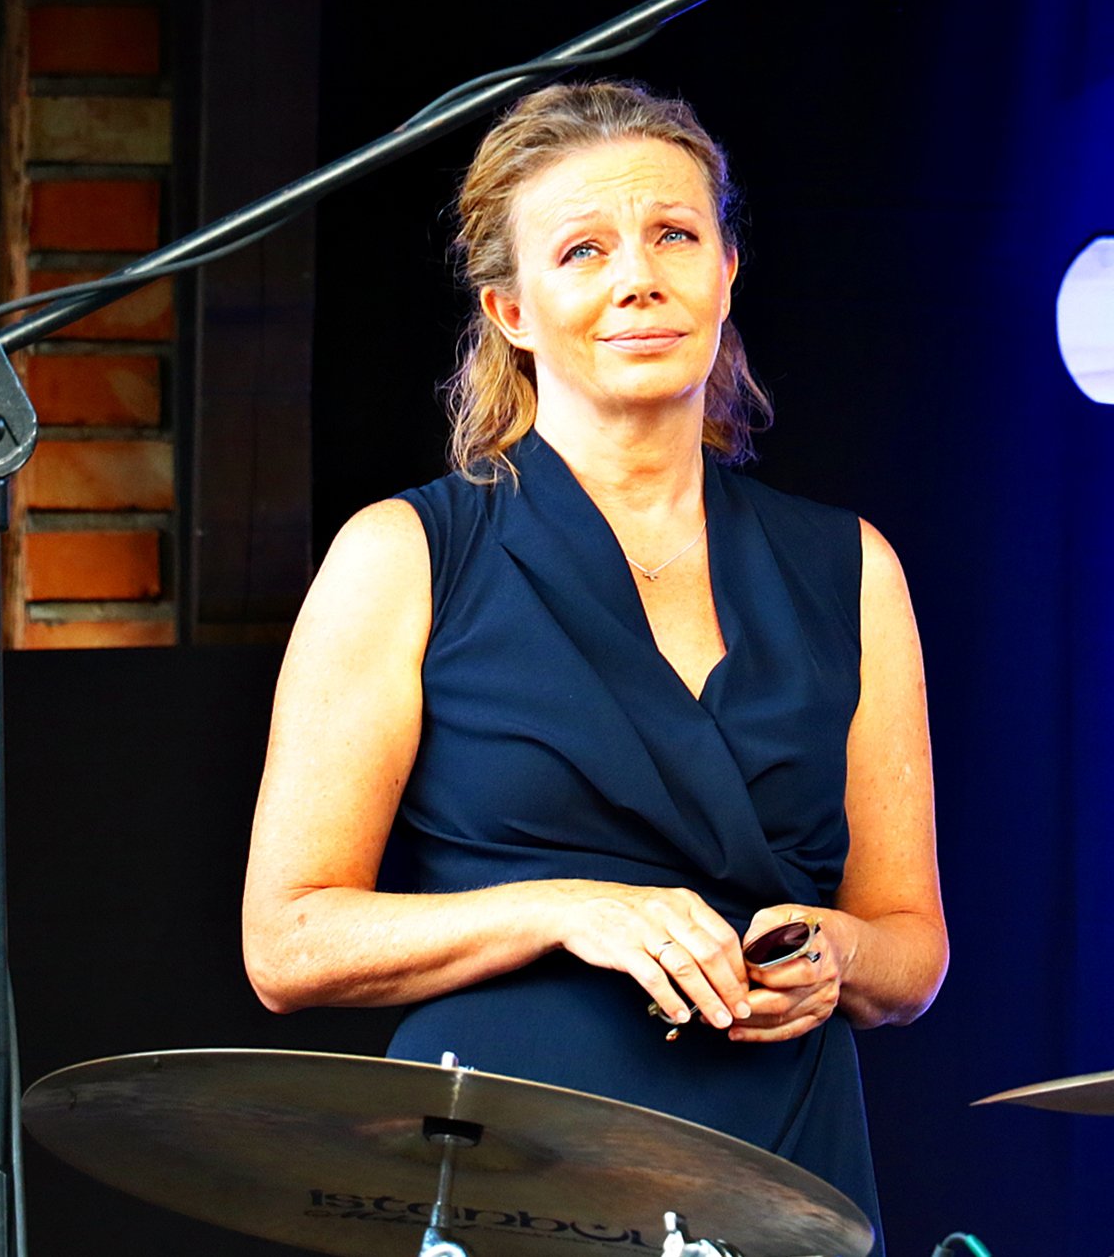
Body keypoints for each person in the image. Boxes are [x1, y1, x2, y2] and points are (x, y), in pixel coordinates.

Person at [242, 80, 947, 1251]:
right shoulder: (405, 554)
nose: (638, 279)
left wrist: (838, 956)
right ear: (510, 309)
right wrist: (568, 909)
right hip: (509, 1173)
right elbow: (288, 944)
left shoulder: (852, 566)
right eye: (583, 250)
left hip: (785, 1167)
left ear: (726, 270)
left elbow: (909, 950)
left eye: (674, 235)